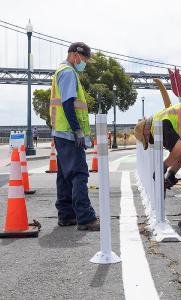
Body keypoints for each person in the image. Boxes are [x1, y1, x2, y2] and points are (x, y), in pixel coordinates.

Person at [50, 42, 100, 231]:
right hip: (70, 134)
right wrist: (77, 129)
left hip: (61, 132)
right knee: (79, 173)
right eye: (84, 59)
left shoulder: (61, 71)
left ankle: (66, 215)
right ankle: (85, 218)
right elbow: (68, 103)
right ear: (75, 55)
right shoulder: (69, 73)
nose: (85, 63)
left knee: (64, 176)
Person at [134, 102, 181, 229]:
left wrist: (164, 167)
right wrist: (171, 173)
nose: (152, 142)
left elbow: (180, 149)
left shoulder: (158, 125)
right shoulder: (161, 119)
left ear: (146, 130)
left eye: (149, 140)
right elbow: (180, 154)